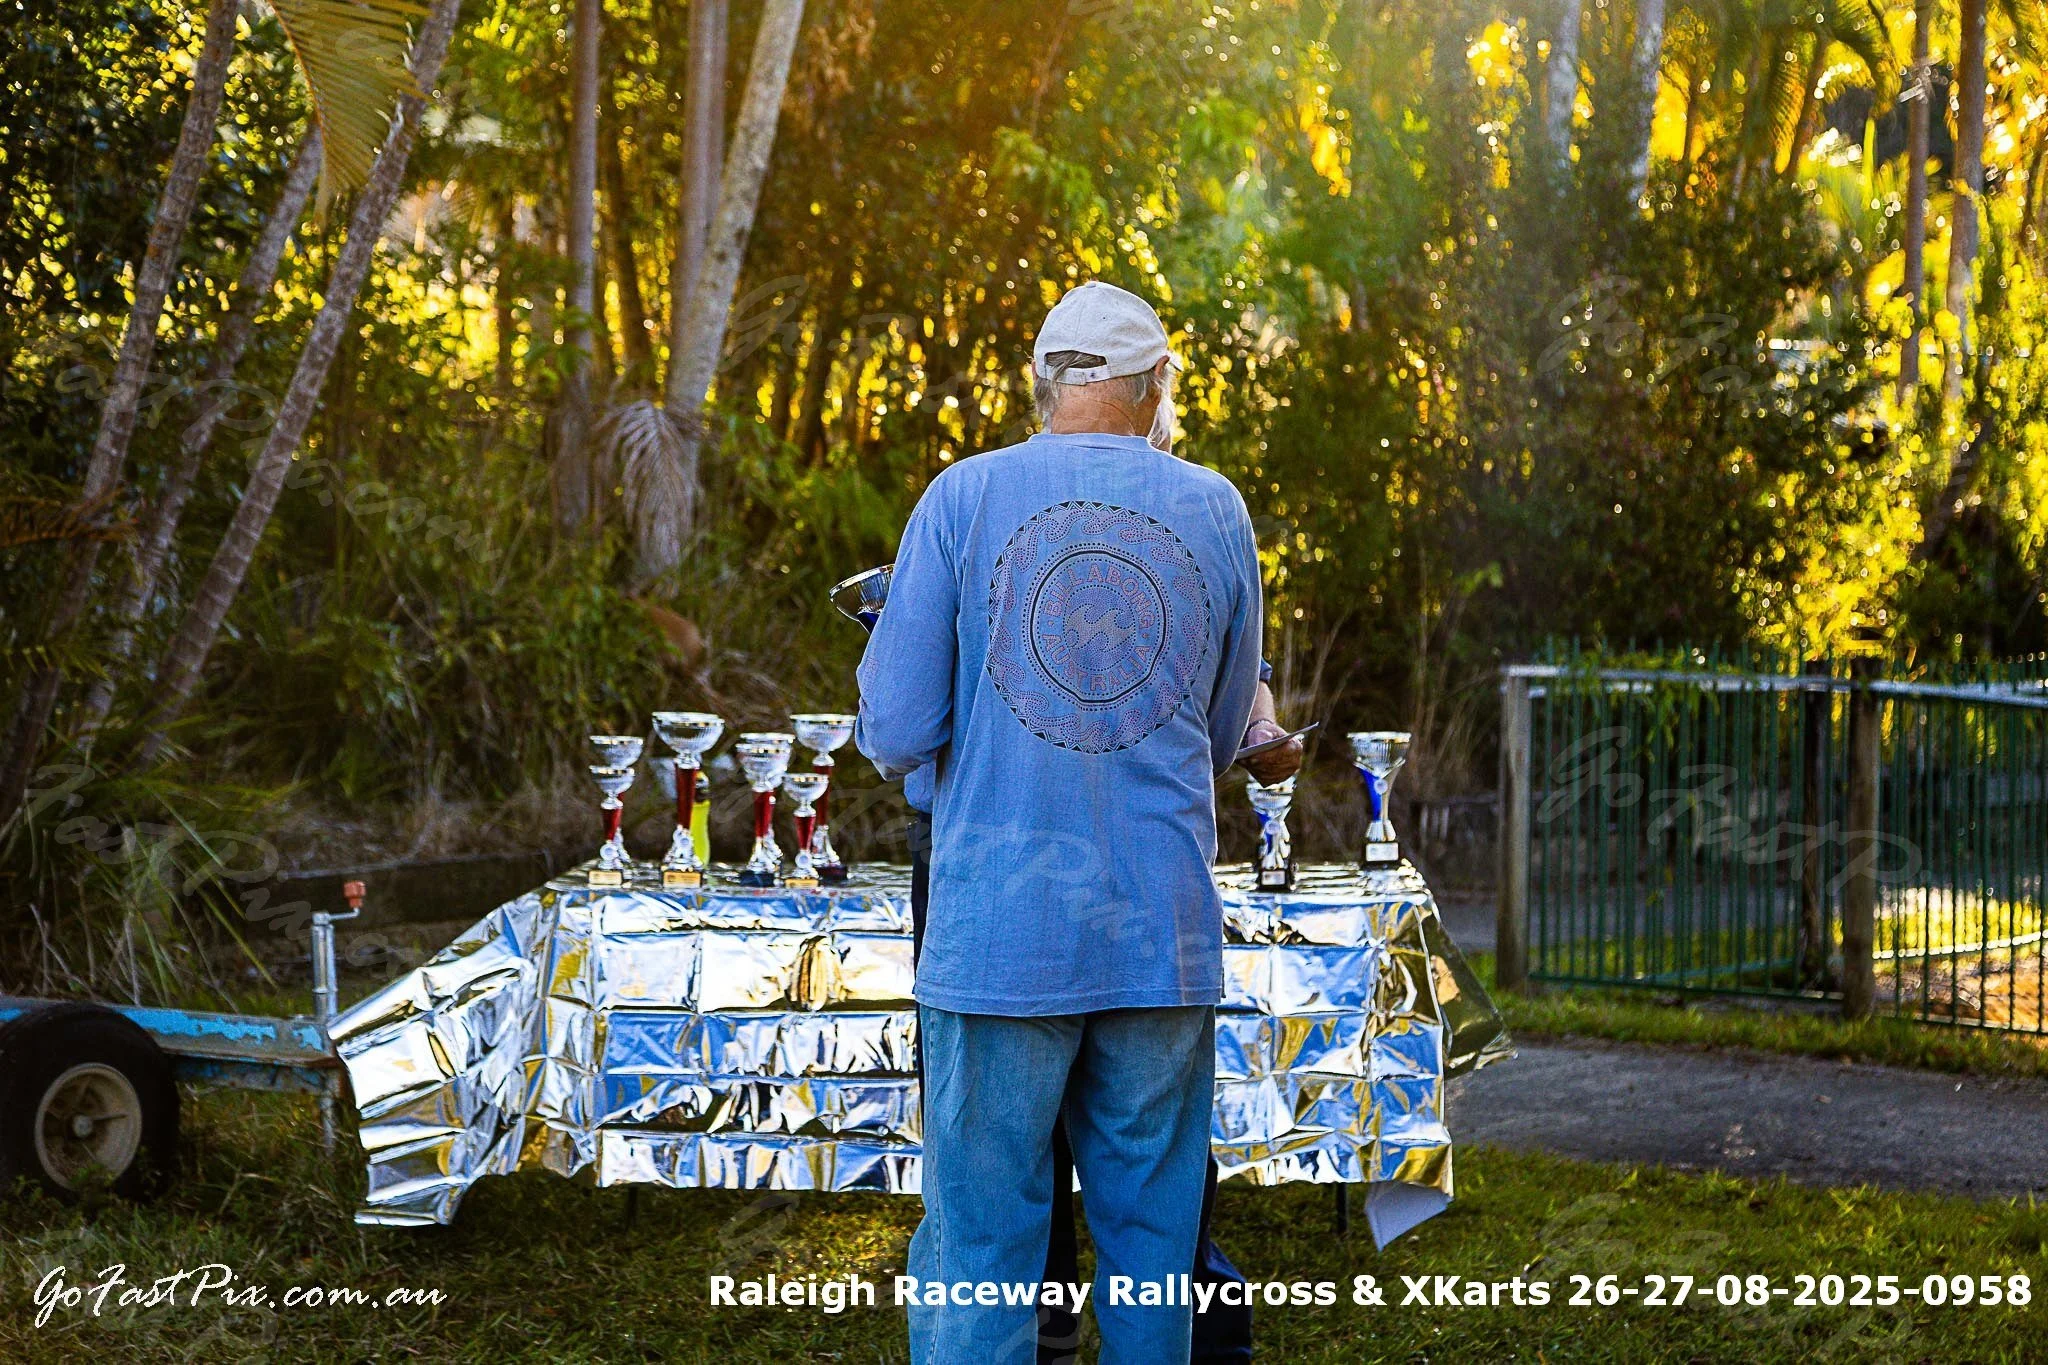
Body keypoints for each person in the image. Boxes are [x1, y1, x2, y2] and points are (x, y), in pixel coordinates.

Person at [857, 280, 1298, 1362]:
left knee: (981, 1246)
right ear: (1155, 388)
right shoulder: (1217, 508)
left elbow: (896, 726)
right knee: (1153, 1245)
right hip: (1159, 931)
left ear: (1044, 385)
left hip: (999, 936)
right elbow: (1220, 725)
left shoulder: (961, 497)